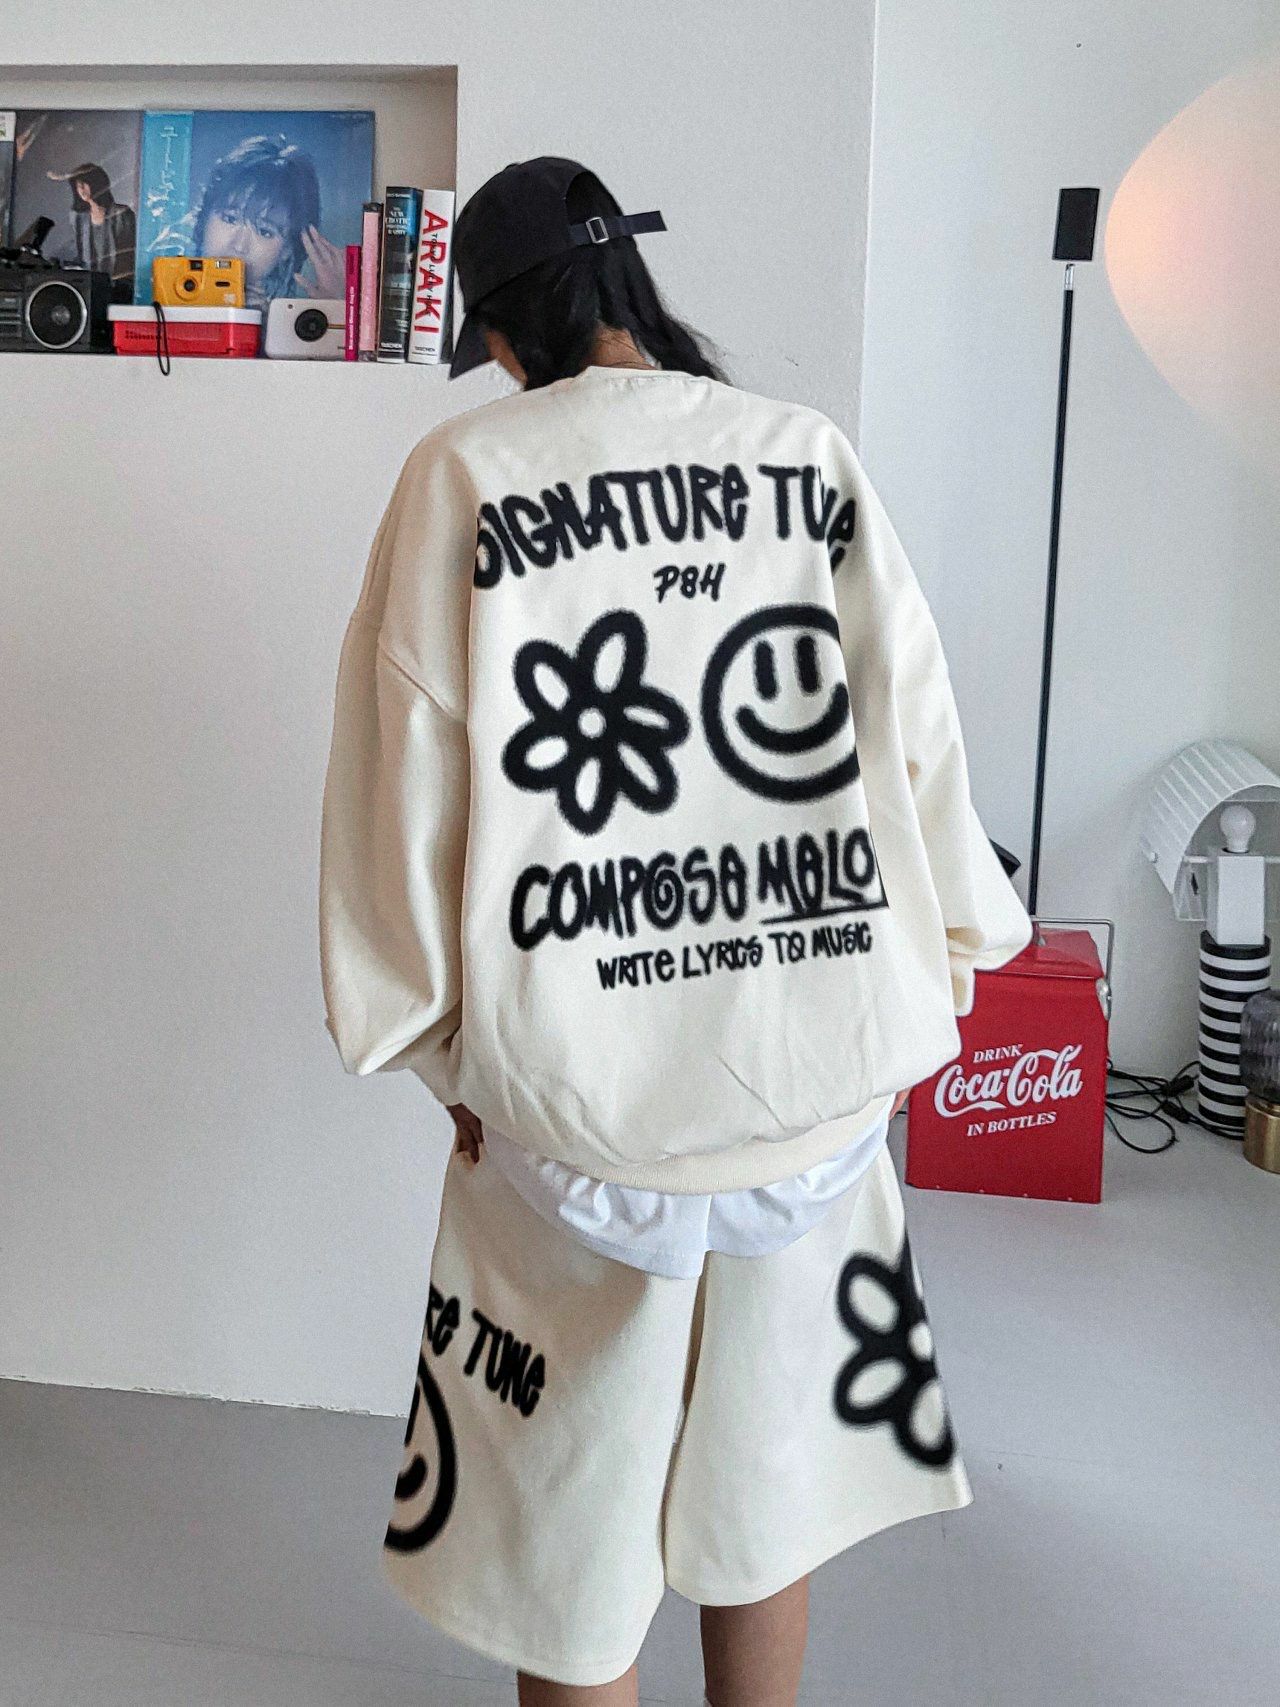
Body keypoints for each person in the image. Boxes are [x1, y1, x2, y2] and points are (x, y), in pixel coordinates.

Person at [318, 156, 1033, 1707]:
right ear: (627, 284)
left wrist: (436, 1046)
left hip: (585, 1120)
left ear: (498, 333)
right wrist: (954, 956)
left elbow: (406, 786)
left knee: (569, 1548)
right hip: (816, 1097)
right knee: (762, 1497)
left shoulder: (467, 474)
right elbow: (915, 732)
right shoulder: (802, 453)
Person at [190, 134, 346, 310]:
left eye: (264, 231)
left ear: (287, 250)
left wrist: (334, 309)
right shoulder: (165, 301)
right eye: (230, 219)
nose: (239, 246)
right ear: (205, 217)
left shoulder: (283, 321)